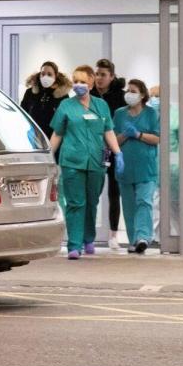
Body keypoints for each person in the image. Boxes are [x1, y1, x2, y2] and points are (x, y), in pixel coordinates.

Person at [50, 65, 124, 260]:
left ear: (91, 82)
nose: (79, 85)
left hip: (96, 162)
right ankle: (74, 245)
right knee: (75, 203)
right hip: (72, 161)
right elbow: (58, 133)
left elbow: (108, 131)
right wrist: (49, 156)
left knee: (92, 202)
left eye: (83, 81)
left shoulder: (101, 106)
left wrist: (118, 153)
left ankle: (88, 238)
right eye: (76, 81)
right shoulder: (66, 106)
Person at [113, 79, 160, 254]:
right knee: (129, 205)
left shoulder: (151, 114)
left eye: (133, 91)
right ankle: (133, 241)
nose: (129, 94)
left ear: (142, 95)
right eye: (128, 90)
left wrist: (138, 134)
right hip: (125, 166)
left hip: (146, 167)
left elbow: (157, 138)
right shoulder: (119, 114)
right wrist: (125, 135)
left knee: (144, 201)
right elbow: (113, 139)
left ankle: (143, 237)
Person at [92, 58, 127, 249]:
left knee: (115, 192)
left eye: (103, 75)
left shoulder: (120, 98)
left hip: (114, 150)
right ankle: (88, 232)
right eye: (97, 74)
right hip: (94, 150)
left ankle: (113, 234)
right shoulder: (89, 96)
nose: (99, 78)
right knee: (93, 192)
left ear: (111, 77)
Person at [20, 61, 71, 138]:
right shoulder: (30, 93)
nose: (45, 77)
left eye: (49, 74)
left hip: (54, 139)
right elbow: (22, 114)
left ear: (55, 76)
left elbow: (66, 121)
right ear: (39, 75)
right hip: (34, 138)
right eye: (43, 74)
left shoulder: (62, 96)